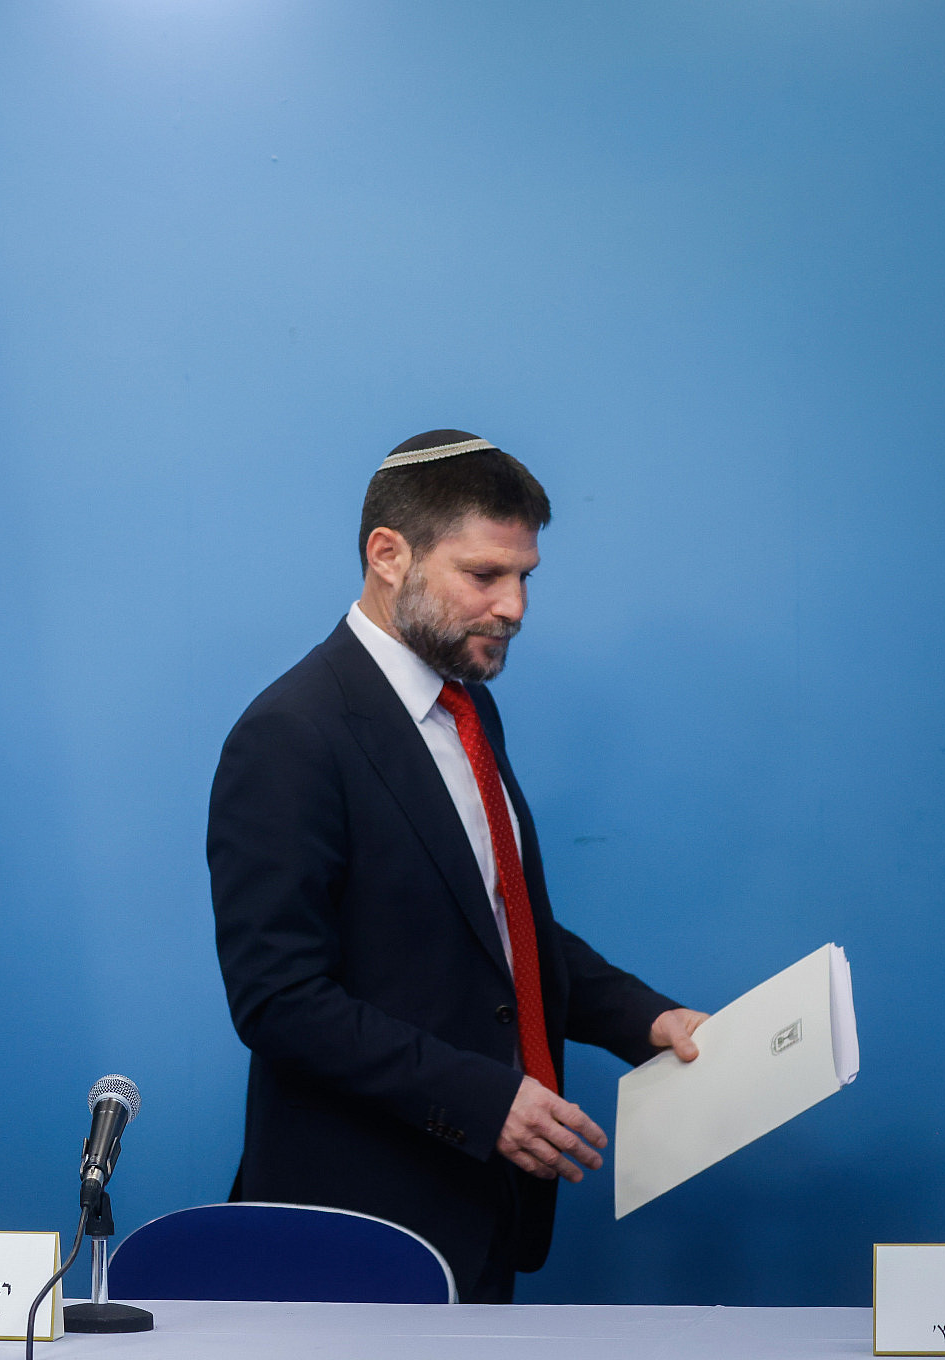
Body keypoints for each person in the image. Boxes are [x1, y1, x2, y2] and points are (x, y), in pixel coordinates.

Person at [207, 429, 709, 1303]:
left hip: (482, 1216)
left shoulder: (467, 708)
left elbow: (494, 922)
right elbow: (277, 998)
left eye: (525, 578)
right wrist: (485, 1100)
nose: (515, 605)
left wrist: (648, 1020)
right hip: (354, 1234)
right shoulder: (290, 734)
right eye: (485, 575)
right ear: (388, 555)